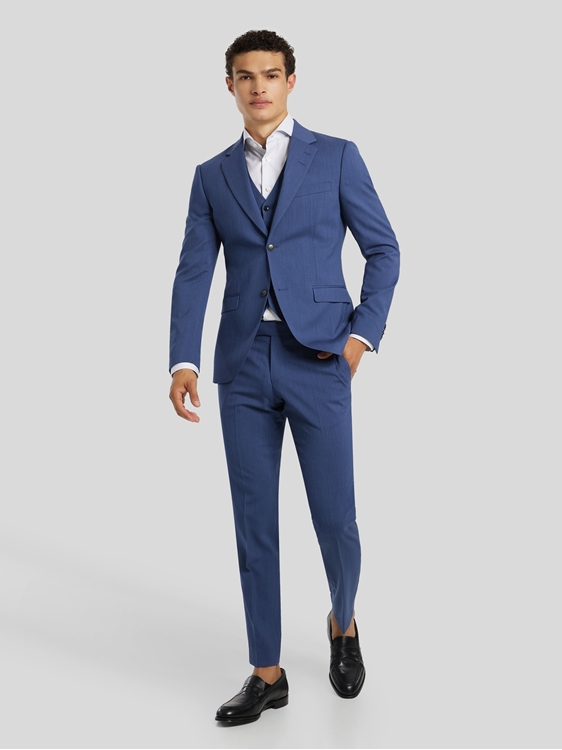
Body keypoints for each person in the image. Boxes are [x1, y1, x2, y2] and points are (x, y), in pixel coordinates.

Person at [169, 29, 400, 725]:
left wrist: (359, 339)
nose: (258, 86)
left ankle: (343, 622)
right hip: (243, 365)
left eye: (270, 74)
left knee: (336, 519)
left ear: (290, 81)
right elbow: (193, 270)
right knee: (254, 523)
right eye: (246, 76)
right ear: (230, 86)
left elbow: (384, 249)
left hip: (320, 358)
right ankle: (267, 672)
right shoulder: (211, 175)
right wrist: (183, 360)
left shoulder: (336, 157)